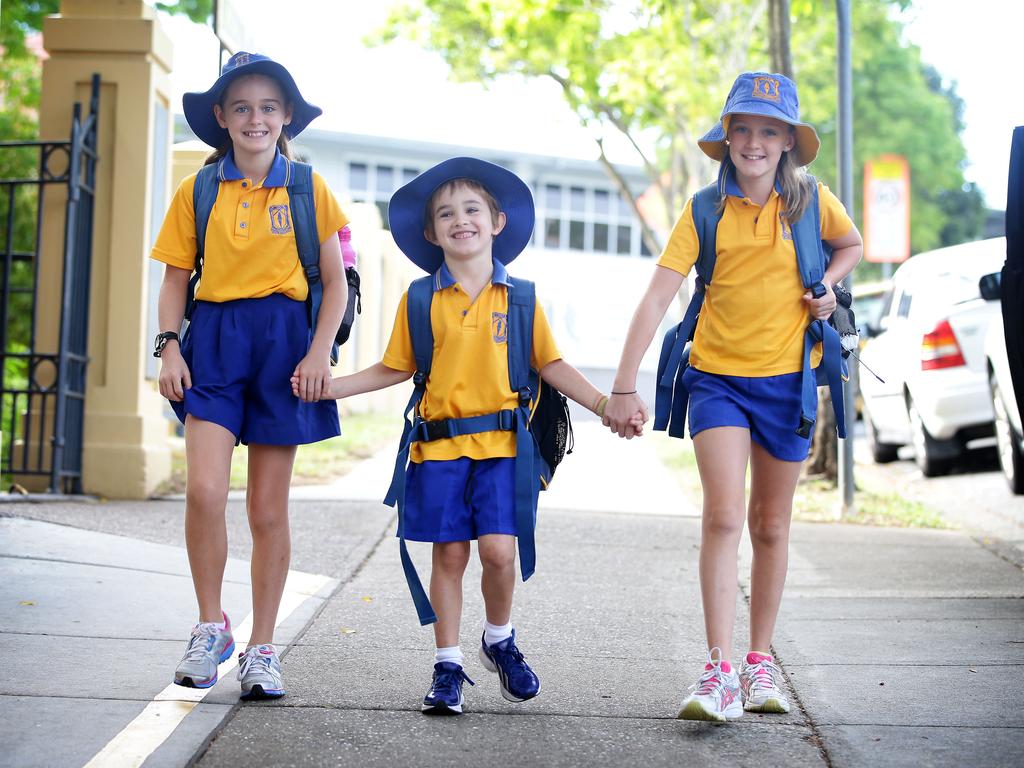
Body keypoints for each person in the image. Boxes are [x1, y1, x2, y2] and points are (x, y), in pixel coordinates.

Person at [296, 157, 634, 715]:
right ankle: (447, 664)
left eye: (472, 209)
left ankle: (498, 638)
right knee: (449, 556)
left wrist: (604, 405)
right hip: (438, 450)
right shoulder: (422, 298)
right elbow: (394, 367)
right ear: (431, 233)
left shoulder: (520, 298)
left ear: (497, 221)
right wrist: (331, 388)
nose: (460, 220)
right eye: (446, 214)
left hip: (504, 450)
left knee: (500, 554)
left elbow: (550, 365)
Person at [604, 72, 863, 721]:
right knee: (723, 516)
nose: (753, 141)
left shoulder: (810, 202)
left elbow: (852, 244)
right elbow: (659, 295)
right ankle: (717, 669)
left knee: (771, 525)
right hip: (716, 380)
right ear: (727, 138)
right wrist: (623, 382)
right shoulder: (703, 211)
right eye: (741, 128)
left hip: (788, 384)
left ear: (787, 144)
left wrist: (826, 286)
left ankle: (758, 662)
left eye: (768, 131)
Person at [151, 52, 348, 700]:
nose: (255, 118)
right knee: (204, 491)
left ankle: (263, 649)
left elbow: (336, 284)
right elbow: (176, 279)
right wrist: (168, 349)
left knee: (267, 509)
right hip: (214, 343)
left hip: (284, 346)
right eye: (242, 107)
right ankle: (212, 627)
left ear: (285, 116)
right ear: (221, 118)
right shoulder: (198, 190)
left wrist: (318, 354)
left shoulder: (308, 188)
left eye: (268, 107)